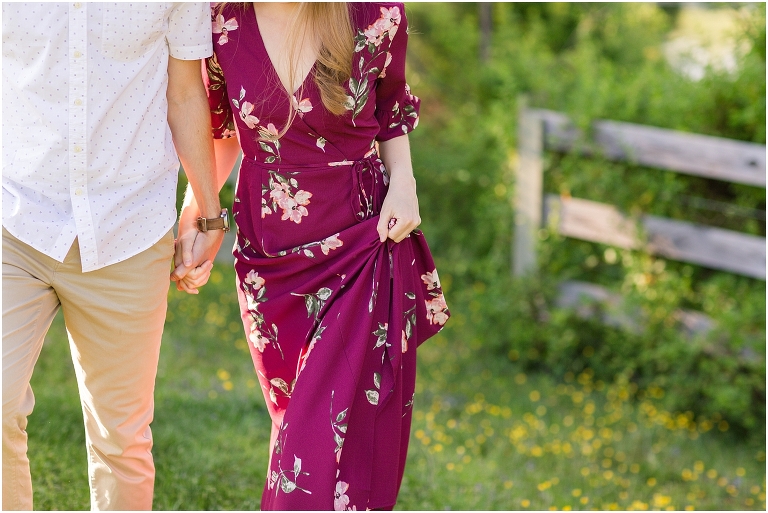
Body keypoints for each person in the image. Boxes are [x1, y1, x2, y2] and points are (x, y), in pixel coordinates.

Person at [173, 2, 450, 510]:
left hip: (361, 242)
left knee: (319, 443)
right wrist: (201, 212)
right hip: (270, 261)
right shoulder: (218, 20)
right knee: (293, 422)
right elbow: (225, 131)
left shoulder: (374, 15)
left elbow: (390, 110)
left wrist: (405, 187)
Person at [2, 3, 225, 510]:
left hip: (128, 226)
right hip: (16, 220)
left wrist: (208, 212)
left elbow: (186, 92)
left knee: (121, 437)